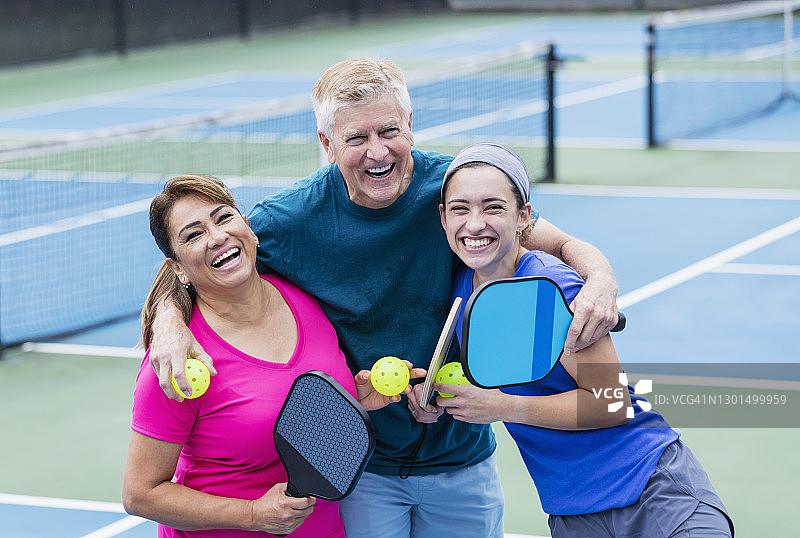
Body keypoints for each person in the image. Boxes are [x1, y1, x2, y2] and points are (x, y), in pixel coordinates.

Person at [144, 58, 622, 538]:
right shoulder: (288, 221)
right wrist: (168, 319)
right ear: (327, 146)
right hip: (363, 469)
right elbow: (206, 258)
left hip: (463, 457)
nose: (377, 152)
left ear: (410, 126)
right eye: (356, 138)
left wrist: (600, 279)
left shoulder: (458, 192)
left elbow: (560, 244)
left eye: (389, 130)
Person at [429, 143, 734, 537]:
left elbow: (611, 403)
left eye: (493, 207)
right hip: (573, 509)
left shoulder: (554, 286)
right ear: (443, 216)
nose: (474, 224)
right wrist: (436, 400)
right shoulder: (461, 290)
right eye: (460, 208)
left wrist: (501, 406)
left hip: (649, 488)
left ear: (524, 217)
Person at [123, 175, 418, 537]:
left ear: (248, 226)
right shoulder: (176, 363)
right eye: (193, 235)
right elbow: (141, 494)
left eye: (223, 217)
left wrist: (355, 401)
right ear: (177, 268)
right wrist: (252, 514)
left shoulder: (304, 299)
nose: (217, 237)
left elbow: (289, 413)